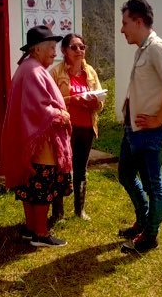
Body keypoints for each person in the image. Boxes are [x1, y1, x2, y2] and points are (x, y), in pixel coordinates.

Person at [118, 0, 162, 253]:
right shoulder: (142, 49)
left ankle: (150, 236)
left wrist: (158, 119)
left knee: (153, 184)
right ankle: (144, 220)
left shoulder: (158, 48)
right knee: (125, 174)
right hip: (132, 129)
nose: (122, 29)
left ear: (138, 21)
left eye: (125, 23)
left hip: (148, 131)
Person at [1, 25, 73, 248]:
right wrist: (62, 114)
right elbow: (40, 109)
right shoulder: (34, 70)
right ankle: (41, 234)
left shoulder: (28, 67)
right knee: (41, 184)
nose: (54, 52)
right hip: (41, 142)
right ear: (36, 49)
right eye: (51, 47)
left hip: (30, 138)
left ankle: (31, 228)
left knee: (30, 185)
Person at [50, 33, 103, 223]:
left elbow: (100, 102)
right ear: (64, 50)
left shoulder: (90, 72)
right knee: (62, 169)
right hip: (65, 129)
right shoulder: (55, 73)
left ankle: (80, 211)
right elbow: (50, 101)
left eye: (82, 47)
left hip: (87, 127)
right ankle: (58, 213)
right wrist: (73, 100)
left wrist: (94, 103)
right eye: (74, 47)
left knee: (81, 169)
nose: (79, 50)